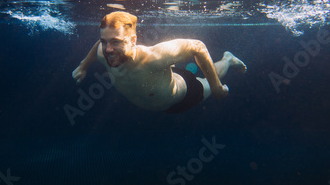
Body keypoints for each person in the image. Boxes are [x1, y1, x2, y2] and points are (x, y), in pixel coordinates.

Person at [72, 11, 246, 113]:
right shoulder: (105, 52)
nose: (108, 49)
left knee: (206, 81)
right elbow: (98, 47)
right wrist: (83, 66)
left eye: (116, 42)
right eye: (105, 42)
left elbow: (197, 47)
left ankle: (227, 59)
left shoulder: (153, 57)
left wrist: (216, 87)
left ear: (133, 40)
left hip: (183, 96)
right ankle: (191, 69)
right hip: (158, 85)